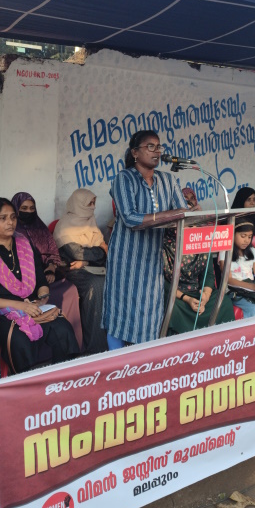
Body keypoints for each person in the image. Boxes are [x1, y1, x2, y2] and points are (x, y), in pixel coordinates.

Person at [0, 198, 80, 372]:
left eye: (13, 217)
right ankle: (27, 384)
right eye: (3, 218)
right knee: (19, 340)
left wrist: (42, 298)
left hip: (32, 306)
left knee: (62, 328)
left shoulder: (24, 245)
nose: (10, 222)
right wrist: (20, 306)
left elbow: (41, 281)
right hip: (0, 313)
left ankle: (62, 377)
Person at [104, 130, 189, 348]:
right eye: (150, 146)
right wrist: (171, 214)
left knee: (150, 315)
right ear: (135, 152)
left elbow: (183, 213)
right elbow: (130, 218)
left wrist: (190, 214)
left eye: (158, 147)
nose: (156, 151)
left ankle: (142, 362)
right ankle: (116, 362)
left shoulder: (168, 180)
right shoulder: (124, 178)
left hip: (152, 259)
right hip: (125, 259)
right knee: (120, 314)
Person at [11, 192, 84, 349]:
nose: (29, 212)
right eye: (24, 208)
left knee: (70, 290)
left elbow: (53, 253)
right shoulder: (12, 232)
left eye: (32, 208)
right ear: (16, 209)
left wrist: (51, 268)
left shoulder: (41, 228)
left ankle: (72, 342)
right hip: (26, 279)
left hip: (46, 272)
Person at [53, 189, 109, 354]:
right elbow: (76, 253)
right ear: (77, 204)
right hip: (72, 271)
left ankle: (119, 339)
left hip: (92, 267)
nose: (92, 207)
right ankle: (96, 347)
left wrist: (87, 259)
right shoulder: (63, 227)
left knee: (118, 279)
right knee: (97, 285)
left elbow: (104, 252)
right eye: (88, 203)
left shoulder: (90, 222)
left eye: (93, 203)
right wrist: (97, 253)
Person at [162, 227, 235, 334]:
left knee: (224, 302)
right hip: (176, 295)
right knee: (172, 309)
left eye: (194, 225)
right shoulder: (164, 247)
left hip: (197, 291)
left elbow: (208, 275)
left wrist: (205, 296)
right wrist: (187, 299)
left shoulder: (201, 242)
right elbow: (162, 282)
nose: (192, 228)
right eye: (187, 225)